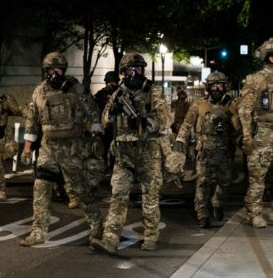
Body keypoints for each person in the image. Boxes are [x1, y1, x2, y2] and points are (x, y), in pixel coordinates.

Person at [90, 52, 174, 254]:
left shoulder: (153, 92)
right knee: (118, 196)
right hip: (123, 153)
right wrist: (112, 111)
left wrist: (146, 122)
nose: (135, 73)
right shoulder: (118, 94)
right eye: (131, 69)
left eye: (139, 69)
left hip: (148, 151)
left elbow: (167, 119)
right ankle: (110, 238)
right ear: (123, 72)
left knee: (150, 196)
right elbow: (103, 122)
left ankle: (151, 235)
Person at [19, 51, 105, 247]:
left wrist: (97, 136)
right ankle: (38, 232)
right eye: (50, 69)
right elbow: (32, 120)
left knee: (80, 190)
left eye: (57, 69)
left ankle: (97, 224)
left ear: (63, 70)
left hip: (72, 147)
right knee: (40, 187)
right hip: (48, 148)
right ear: (45, 70)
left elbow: (92, 112)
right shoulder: (39, 92)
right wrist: (27, 148)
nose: (53, 73)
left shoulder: (76, 89)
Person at [175, 71, 241, 228]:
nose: (217, 89)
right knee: (203, 183)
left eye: (220, 85)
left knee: (225, 182)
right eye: (213, 86)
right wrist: (180, 141)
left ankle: (217, 201)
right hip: (204, 151)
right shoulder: (199, 104)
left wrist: (230, 115)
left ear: (225, 87)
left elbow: (238, 128)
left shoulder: (231, 105)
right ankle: (202, 213)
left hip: (225, 151)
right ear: (208, 88)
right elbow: (187, 124)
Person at [238, 37, 273, 228]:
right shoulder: (255, 79)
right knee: (258, 176)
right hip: (262, 133)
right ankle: (255, 211)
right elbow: (245, 109)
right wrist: (246, 134)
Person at [93, 71, 120, 174]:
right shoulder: (100, 95)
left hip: (117, 128)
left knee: (116, 152)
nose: (112, 85)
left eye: (114, 82)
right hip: (104, 128)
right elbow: (95, 112)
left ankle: (114, 170)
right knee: (102, 151)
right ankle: (104, 170)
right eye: (110, 82)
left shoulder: (121, 94)